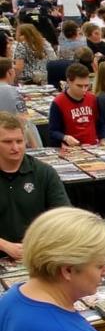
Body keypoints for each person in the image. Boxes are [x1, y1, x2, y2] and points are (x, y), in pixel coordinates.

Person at [0, 111, 69, 259]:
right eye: (7, 142)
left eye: (19, 141)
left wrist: (38, 245)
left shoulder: (44, 172)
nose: (15, 147)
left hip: (36, 252)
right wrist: (5, 245)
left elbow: (64, 215)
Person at [48, 63, 104, 147]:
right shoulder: (58, 102)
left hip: (93, 145)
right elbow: (53, 131)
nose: (84, 89)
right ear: (69, 82)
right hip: (73, 147)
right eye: (79, 86)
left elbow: (100, 124)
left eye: (86, 86)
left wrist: (102, 139)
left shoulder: (92, 98)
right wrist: (65, 137)